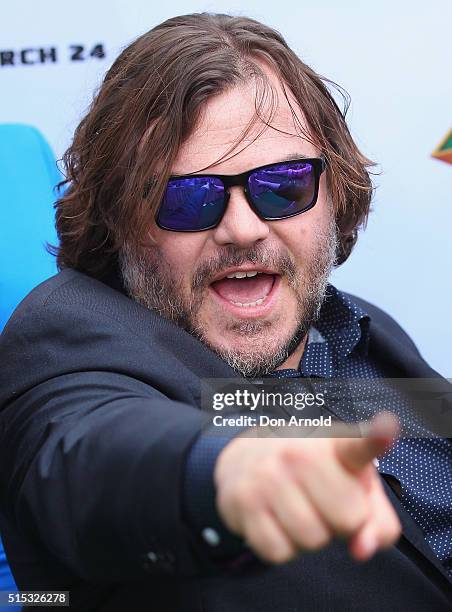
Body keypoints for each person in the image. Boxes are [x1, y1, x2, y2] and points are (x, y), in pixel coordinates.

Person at [0, 12, 450, 612]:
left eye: (283, 186)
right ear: (119, 221)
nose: (242, 229)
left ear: (335, 190)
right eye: (186, 199)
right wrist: (224, 476)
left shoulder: (357, 325)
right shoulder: (68, 340)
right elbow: (88, 454)